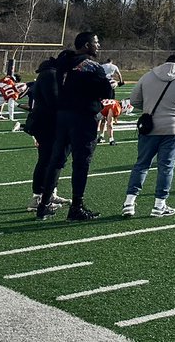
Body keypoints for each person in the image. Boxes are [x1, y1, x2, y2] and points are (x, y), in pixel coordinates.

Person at [37, 32, 115, 221]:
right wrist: (110, 85)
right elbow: (106, 92)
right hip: (83, 117)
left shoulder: (64, 61)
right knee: (81, 163)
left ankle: (44, 203)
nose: (99, 46)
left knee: (56, 160)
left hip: (63, 116)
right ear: (87, 45)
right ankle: (76, 207)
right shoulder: (91, 66)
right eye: (96, 42)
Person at [122, 55, 175, 218]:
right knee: (165, 167)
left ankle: (129, 202)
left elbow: (134, 100)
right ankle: (159, 204)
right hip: (173, 127)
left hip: (149, 127)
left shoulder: (148, 75)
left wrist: (149, 107)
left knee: (141, 164)